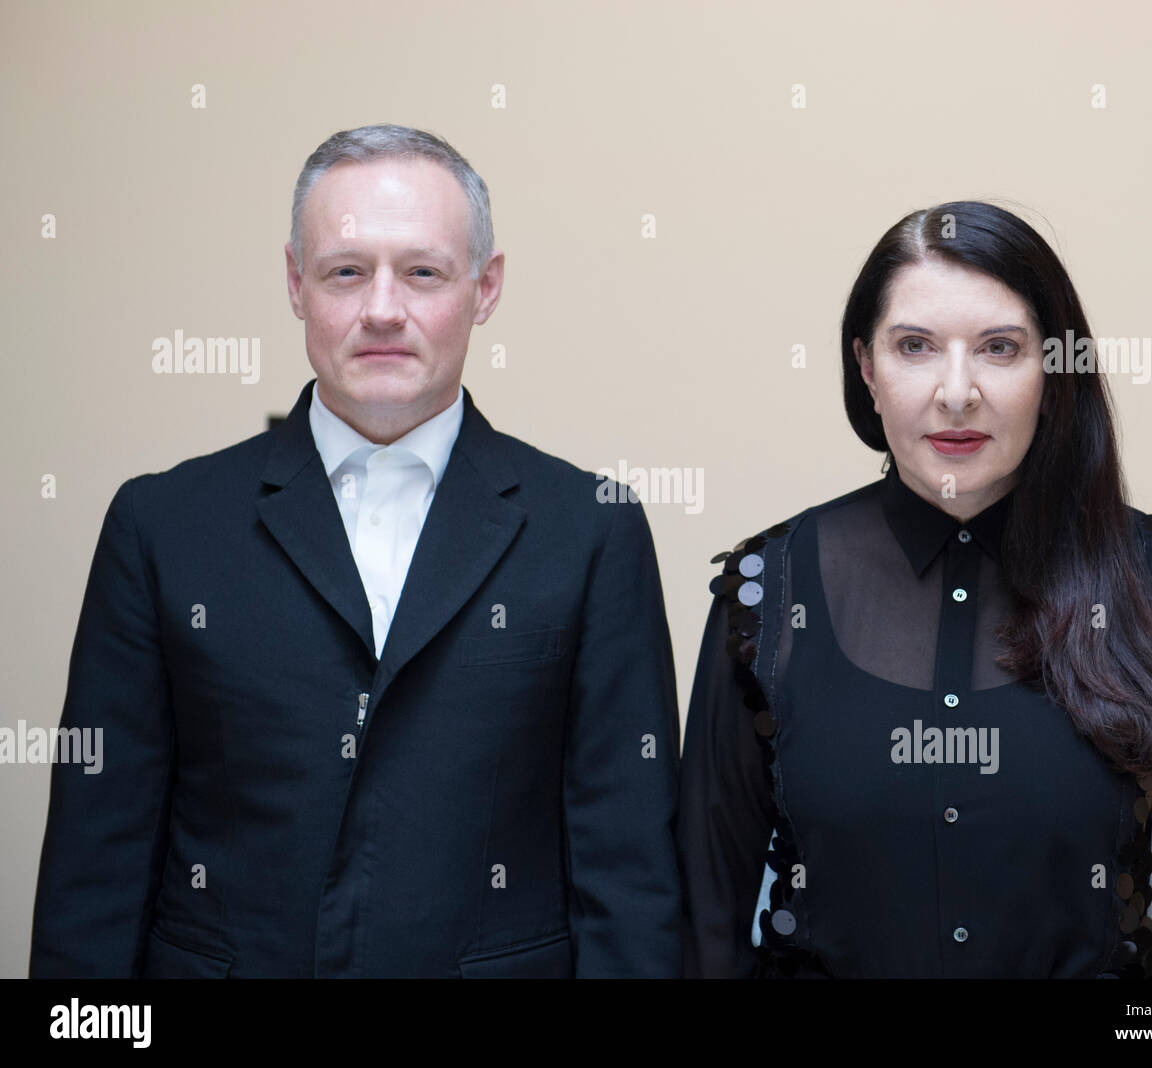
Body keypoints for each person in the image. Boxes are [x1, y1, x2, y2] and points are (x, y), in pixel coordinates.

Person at [30, 124, 682, 978]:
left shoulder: (592, 529)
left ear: (485, 289)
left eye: (422, 272)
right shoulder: (161, 526)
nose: (382, 308)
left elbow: (627, 875)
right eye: (346, 271)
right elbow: (97, 865)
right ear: (295, 284)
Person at [677, 200, 1152, 979]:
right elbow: (698, 934)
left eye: (999, 348)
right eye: (915, 347)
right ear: (867, 368)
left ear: (1054, 371)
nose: (957, 393)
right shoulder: (766, 595)